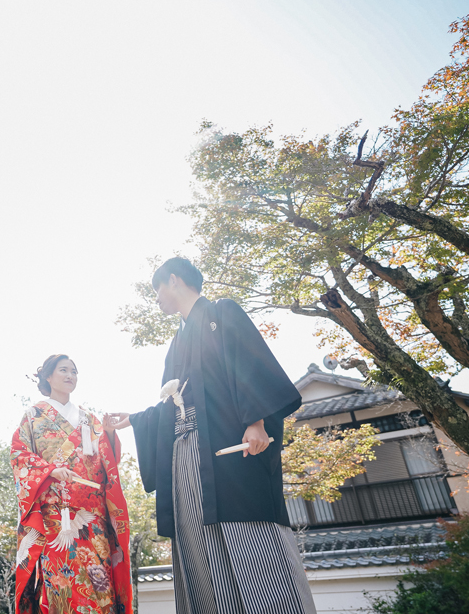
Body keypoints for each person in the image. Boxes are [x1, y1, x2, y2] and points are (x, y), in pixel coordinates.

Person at [107, 258, 316, 614]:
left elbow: (250, 364)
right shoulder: (176, 342)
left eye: (157, 289)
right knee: (194, 539)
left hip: (230, 450)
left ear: (174, 280)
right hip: (185, 455)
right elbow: (177, 402)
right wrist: (137, 419)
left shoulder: (223, 313)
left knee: (248, 533)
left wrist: (257, 421)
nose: (156, 298)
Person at [11, 354, 133, 614]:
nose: (70, 376)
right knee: (60, 582)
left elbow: (107, 461)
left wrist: (109, 433)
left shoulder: (89, 419)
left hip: (92, 518)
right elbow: (19, 455)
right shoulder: (34, 416)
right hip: (55, 516)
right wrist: (50, 471)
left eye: (74, 372)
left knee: (99, 582)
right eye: (63, 370)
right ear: (47, 376)